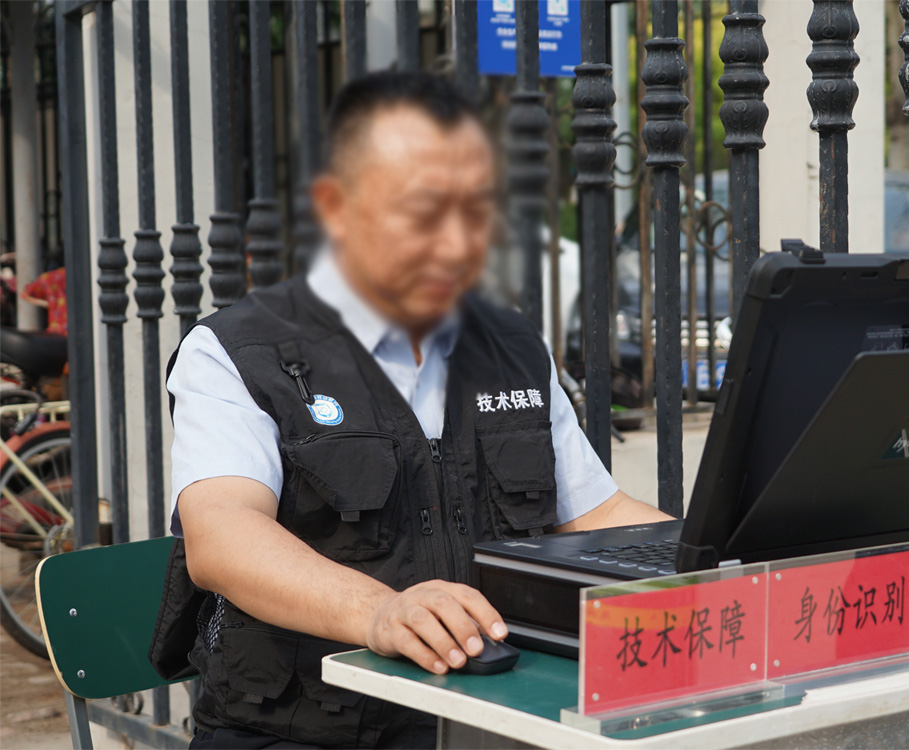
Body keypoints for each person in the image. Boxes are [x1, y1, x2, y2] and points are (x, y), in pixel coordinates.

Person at [162, 71, 672, 749]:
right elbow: (222, 537)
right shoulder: (236, 352)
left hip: (493, 716)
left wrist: (725, 559)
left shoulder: (513, 348)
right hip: (301, 732)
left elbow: (596, 513)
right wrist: (379, 612)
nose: (457, 243)